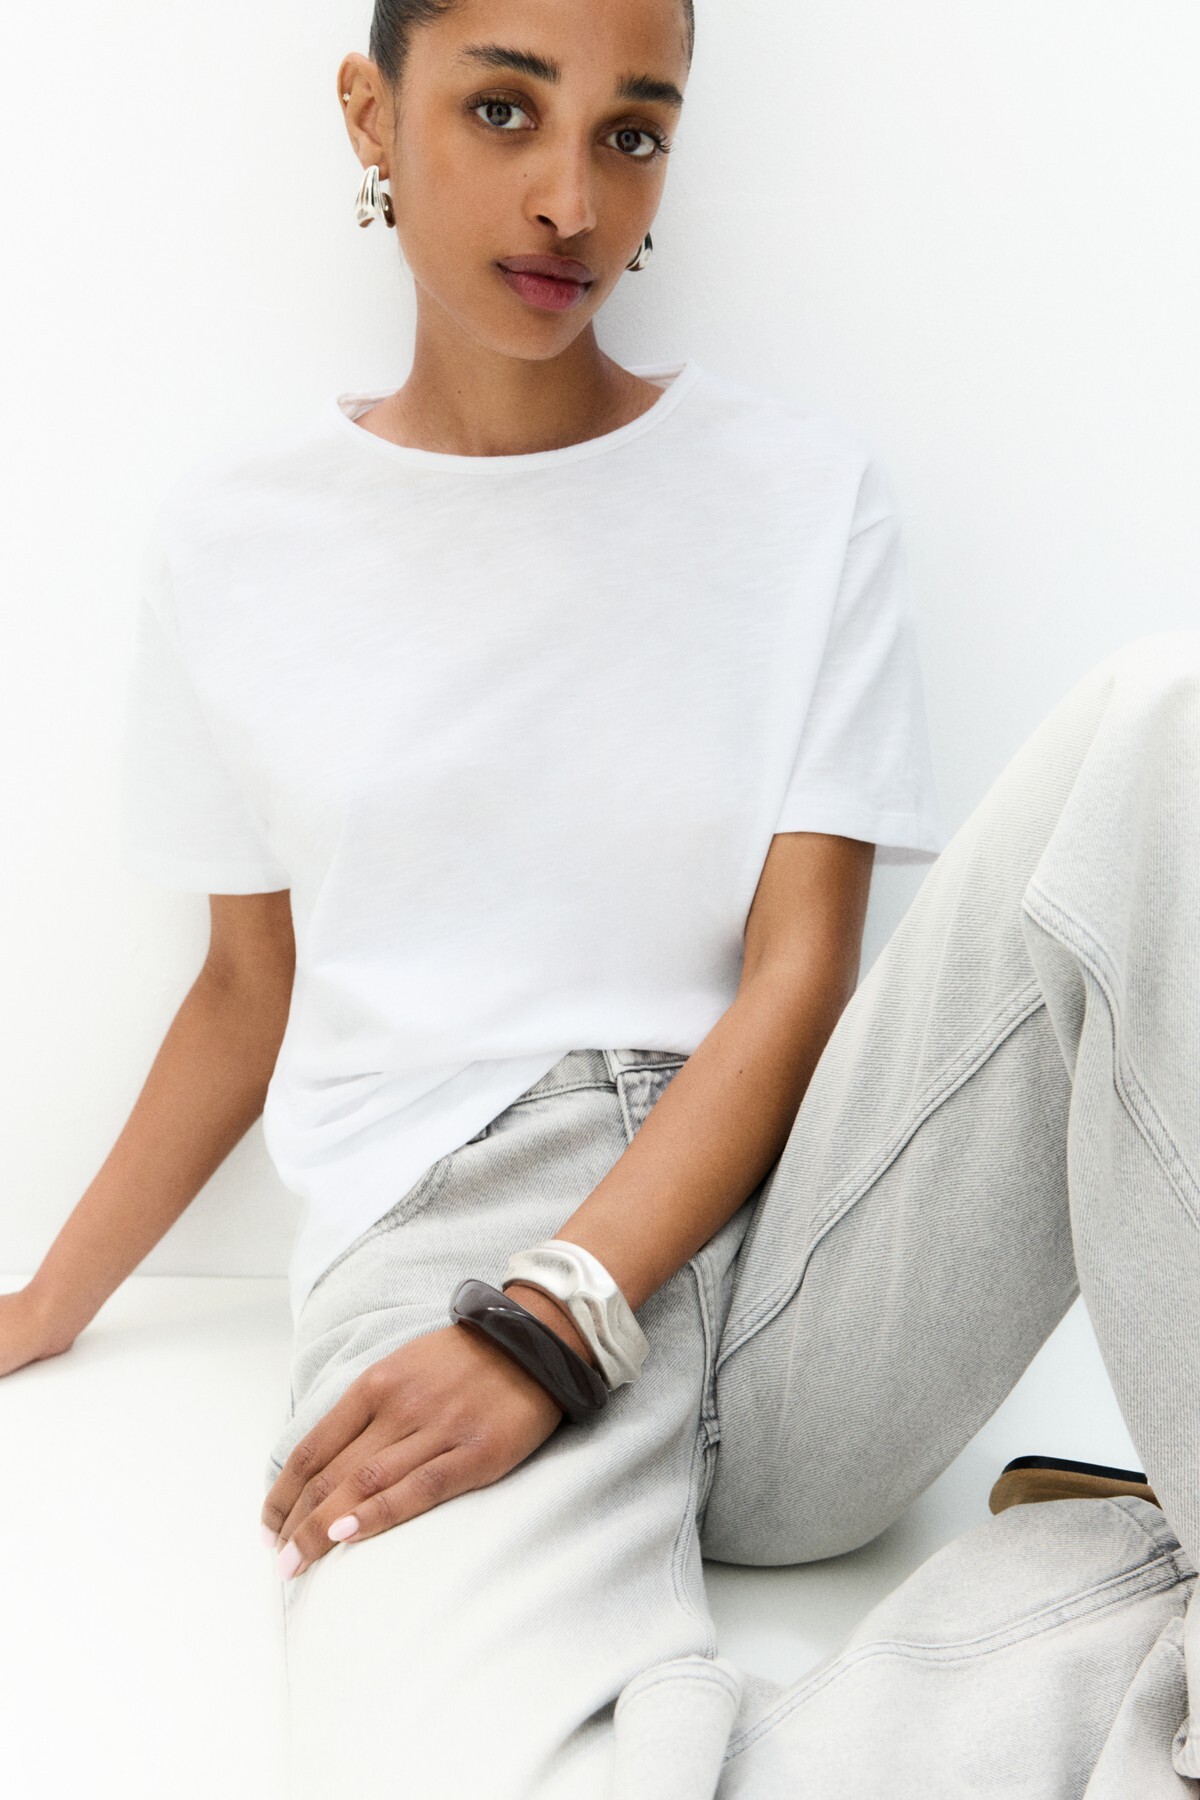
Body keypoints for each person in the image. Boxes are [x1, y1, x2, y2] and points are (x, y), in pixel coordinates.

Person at [5, 0, 1197, 1794]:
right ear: (371, 116)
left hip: (790, 1248)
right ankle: (1110, 1603)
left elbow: (800, 978)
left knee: (1167, 723)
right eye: (504, 110)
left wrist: (562, 1310)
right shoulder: (236, 540)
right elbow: (248, 992)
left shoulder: (800, 497)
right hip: (441, 1246)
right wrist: (43, 1301)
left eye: (633, 134)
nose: (573, 198)